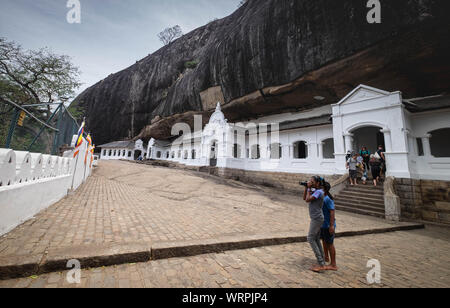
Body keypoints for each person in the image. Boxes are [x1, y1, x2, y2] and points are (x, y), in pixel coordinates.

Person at [303, 176, 326, 273]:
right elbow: (304, 198)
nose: (310, 183)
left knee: (310, 238)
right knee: (316, 239)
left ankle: (321, 263)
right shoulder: (315, 191)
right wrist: (306, 188)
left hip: (317, 219)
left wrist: (308, 188)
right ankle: (322, 261)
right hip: (316, 218)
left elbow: (308, 200)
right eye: (310, 181)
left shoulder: (319, 192)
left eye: (312, 182)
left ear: (317, 183)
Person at [321, 182, 338, 271]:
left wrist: (331, 225)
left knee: (330, 244)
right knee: (324, 241)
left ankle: (333, 264)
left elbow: (332, 212)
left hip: (328, 225)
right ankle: (326, 256)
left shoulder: (328, 199)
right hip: (323, 224)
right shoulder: (323, 198)